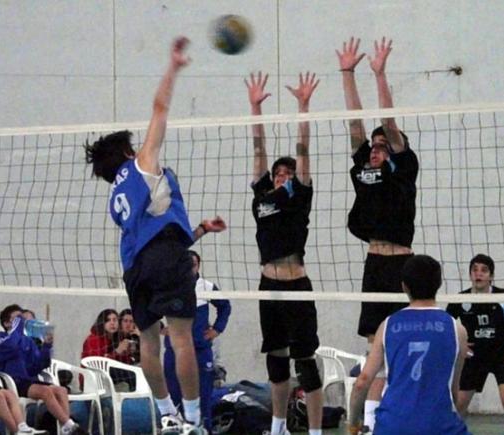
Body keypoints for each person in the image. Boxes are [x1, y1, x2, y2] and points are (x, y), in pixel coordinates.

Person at [84, 36, 226, 435]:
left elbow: (151, 236)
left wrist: (200, 229)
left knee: (148, 341)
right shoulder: (141, 165)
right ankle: (194, 420)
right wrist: (173, 66)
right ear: (128, 154)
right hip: (164, 259)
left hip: (135, 267)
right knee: (181, 339)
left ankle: (166, 415)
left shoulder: (115, 198)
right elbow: (160, 108)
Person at [337, 36, 419, 432]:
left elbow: (388, 124)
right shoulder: (364, 169)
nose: (375, 148)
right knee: (375, 348)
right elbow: (356, 124)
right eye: (373, 146)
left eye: (382, 146)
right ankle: (369, 423)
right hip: (374, 263)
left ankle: (403, 414)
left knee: (401, 345)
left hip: (402, 265)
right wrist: (347, 73)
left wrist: (379, 74)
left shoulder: (403, 167)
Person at [245, 70, 323, 435]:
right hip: (269, 287)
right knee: (276, 362)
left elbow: (303, 150)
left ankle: (316, 430)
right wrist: (255, 108)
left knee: (304, 363)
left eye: (287, 173)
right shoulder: (262, 196)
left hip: (296, 286)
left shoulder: (299, 197)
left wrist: (303, 106)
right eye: (277, 172)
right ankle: (278, 428)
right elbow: (258, 149)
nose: (281, 176)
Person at [348, 255, 470, 435]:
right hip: (439, 425)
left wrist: (353, 424)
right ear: (439, 284)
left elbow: (362, 382)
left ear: (404, 286)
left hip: (392, 426)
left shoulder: (387, 326)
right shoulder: (457, 329)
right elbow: (453, 390)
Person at [446, 254, 504, 435]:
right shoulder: (460, 299)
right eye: (475, 270)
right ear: (470, 274)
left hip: (503, 356)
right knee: (458, 404)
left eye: (484, 270)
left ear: (491, 276)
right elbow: (446, 325)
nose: (479, 274)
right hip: (474, 357)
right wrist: (459, 345)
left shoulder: (503, 297)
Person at [163, 250, 232, 432]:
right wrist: (161, 328)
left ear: (198, 266)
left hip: (200, 350)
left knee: (204, 396)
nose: (189, 268)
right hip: (174, 351)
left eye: (192, 264)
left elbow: (225, 306)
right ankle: (177, 430)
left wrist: (217, 329)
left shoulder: (206, 287)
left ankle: (205, 429)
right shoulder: (168, 286)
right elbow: (149, 307)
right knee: (174, 395)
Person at [0, 304, 86, 435]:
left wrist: (46, 346)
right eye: (18, 318)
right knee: (46, 391)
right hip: (13, 382)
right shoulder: (0, 337)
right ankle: (69, 425)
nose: (22, 321)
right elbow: (12, 346)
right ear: (6, 323)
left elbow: (38, 365)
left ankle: (65, 427)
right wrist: (19, 326)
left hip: (28, 380)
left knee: (61, 390)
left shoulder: (28, 341)